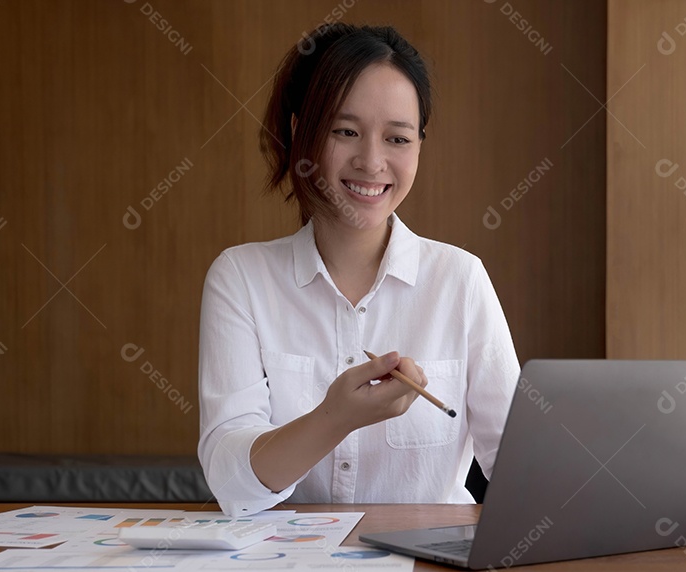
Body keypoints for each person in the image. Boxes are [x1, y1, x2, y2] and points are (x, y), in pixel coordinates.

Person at [197, 23, 520, 516]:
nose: (372, 162)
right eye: (345, 131)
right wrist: (334, 418)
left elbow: (523, 470)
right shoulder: (241, 278)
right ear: (298, 132)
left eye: (398, 138)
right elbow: (233, 485)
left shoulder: (461, 279)